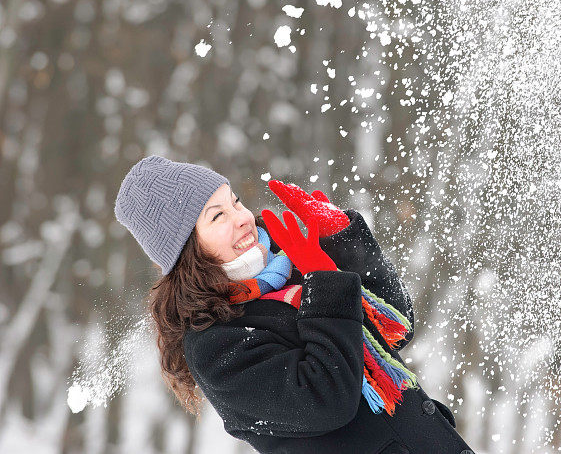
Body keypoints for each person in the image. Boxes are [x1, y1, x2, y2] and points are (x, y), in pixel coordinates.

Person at [114, 155, 475, 454]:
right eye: (217, 216)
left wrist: (342, 240)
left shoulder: (294, 269)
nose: (241, 217)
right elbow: (325, 400)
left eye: (235, 201)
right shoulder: (214, 345)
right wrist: (326, 284)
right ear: (190, 253)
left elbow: (396, 328)